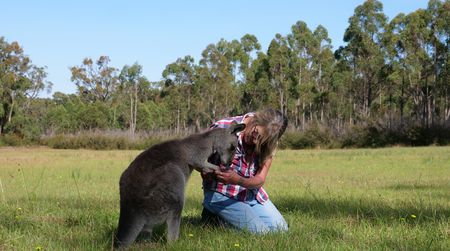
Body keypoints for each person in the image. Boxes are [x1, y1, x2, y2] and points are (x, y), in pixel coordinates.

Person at [201, 108, 288, 233]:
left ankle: (224, 219)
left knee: (281, 230)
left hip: (251, 195)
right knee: (261, 232)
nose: (255, 140)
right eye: (255, 133)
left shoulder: (270, 140)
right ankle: (214, 220)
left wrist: (238, 180)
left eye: (260, 141)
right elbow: (199, 159)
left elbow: (260, 179)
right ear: (255, 120)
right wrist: (207, 172)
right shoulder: (222, 127)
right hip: (221, 194)